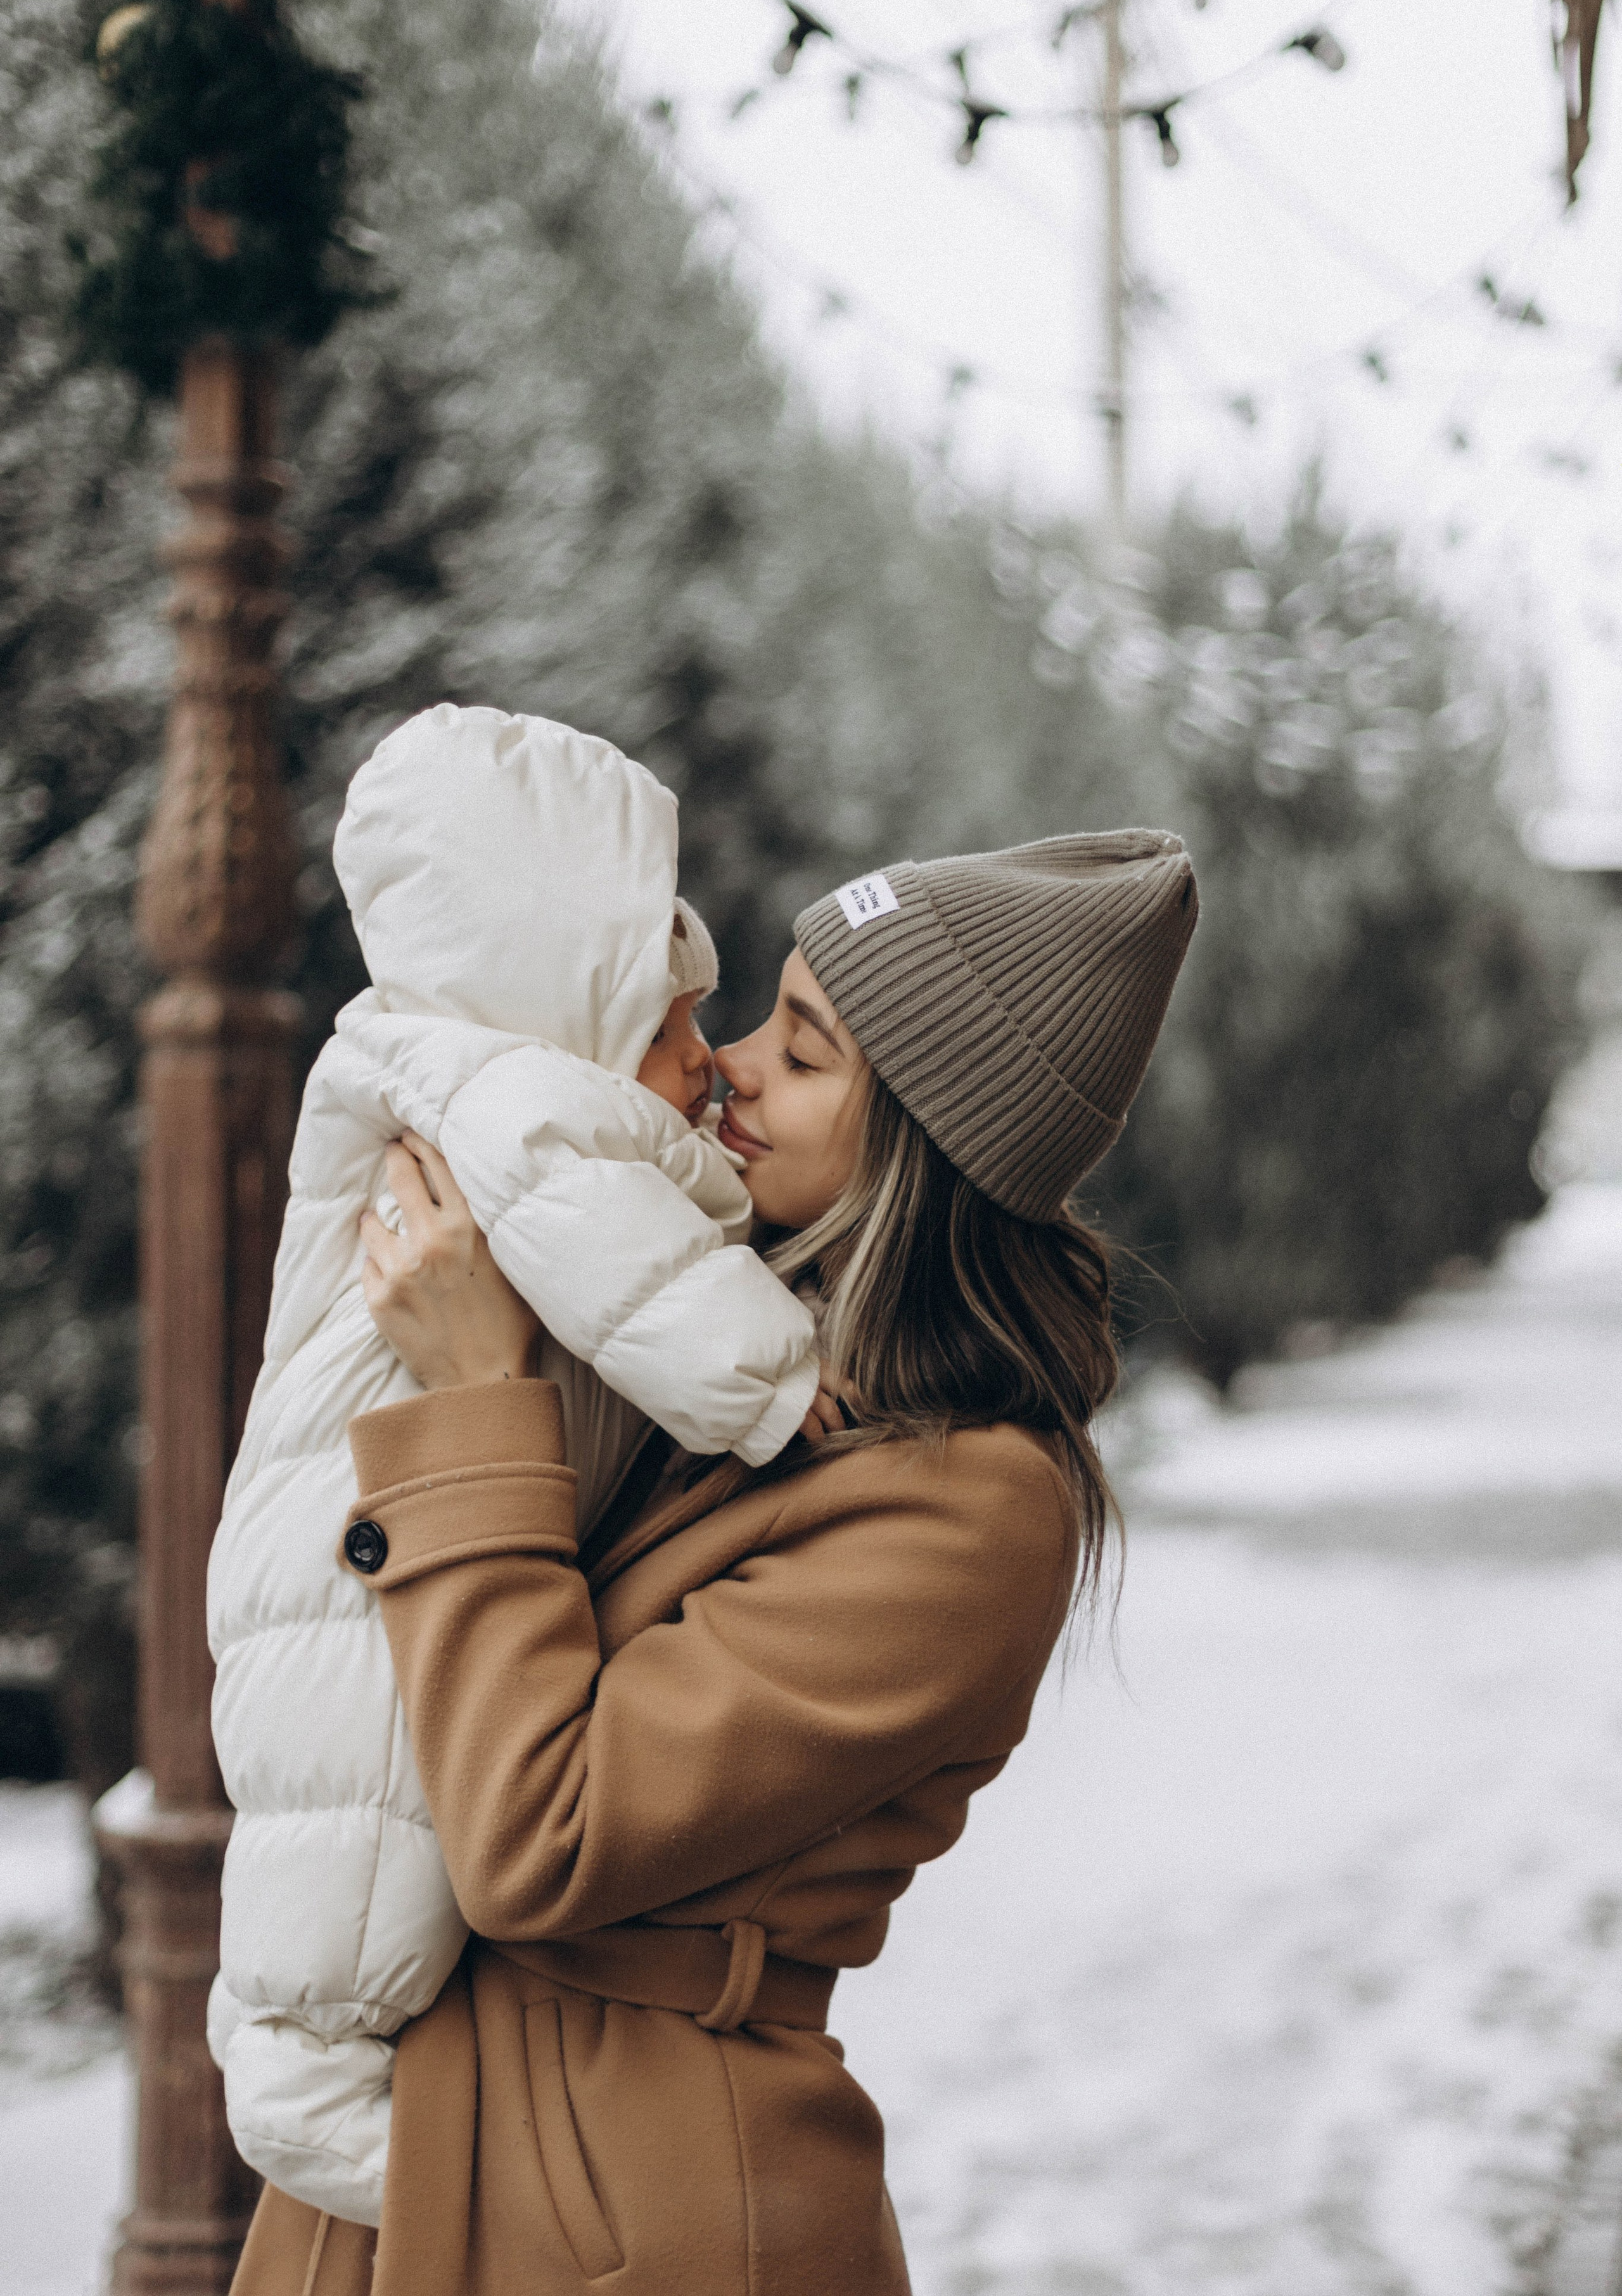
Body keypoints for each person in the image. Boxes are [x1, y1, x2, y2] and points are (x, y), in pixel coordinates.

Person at [229, 827, 1198, 2296]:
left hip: (622, 2196)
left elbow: (539, 1840)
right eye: (761, 1017)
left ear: (924, 1154)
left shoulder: (970, 1511)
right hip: (433, 2135)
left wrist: (476, 1399)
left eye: (801, 1054)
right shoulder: (709, 1343)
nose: (731, 1066)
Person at [209, 706, 834, 2227]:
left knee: (344, 1842)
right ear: (572, 998)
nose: (709, 1067)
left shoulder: (467, 1073)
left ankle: (334, 2103)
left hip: (352, 1527)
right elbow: (633, 1273)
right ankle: (346, 2130)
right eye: (674, 1026)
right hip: (348, 1550)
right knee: (354, 1843)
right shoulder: (511, 1104)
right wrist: (775, 1383)